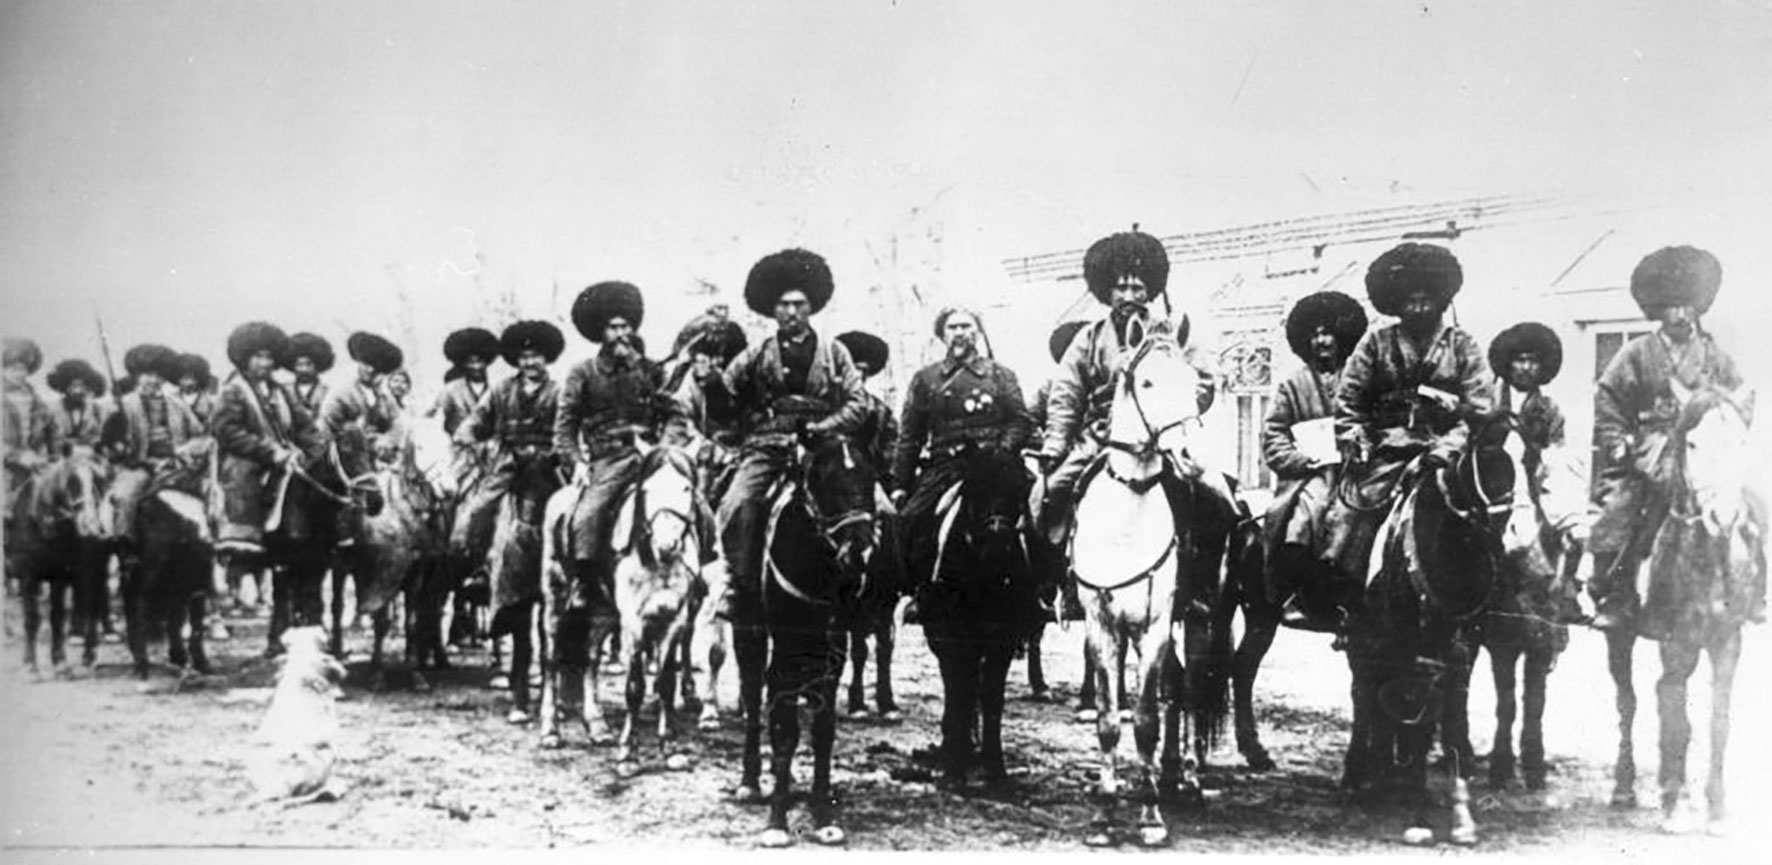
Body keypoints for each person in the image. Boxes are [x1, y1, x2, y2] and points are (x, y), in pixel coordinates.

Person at [1324, 243, 1494, 630]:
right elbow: (1349, 401)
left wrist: (1448, 446)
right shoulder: (1375, 344)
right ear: (1396, 303)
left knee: (1489, 514)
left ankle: (1494, 598)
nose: (1418, 308)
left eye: (1426, 300)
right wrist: (1356, 438)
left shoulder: (1462, 345)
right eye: (1409, 301)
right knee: (1353, 511)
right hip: (1388, 451)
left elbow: (1480, 409)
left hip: (1448, 451)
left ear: (1441, 299)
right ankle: (1345, 597)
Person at [1034, 229, 1228, 549]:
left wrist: (1175, 412)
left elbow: (1204, 380)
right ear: (1106, 291)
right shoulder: (1088, 339)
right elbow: (1066, 396)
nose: (1128, 296)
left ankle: (1213, 567)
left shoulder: (1172, 334)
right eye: (1120, 287)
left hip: (1164, 436)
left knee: (1217, 497)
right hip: (1101, 437)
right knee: (1047, 494)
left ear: (1150, 290)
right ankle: (1055, 568)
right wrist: (1056, 443)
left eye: (1137, 288)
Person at [1588, 246, 1750, 630]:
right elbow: (1609, 399)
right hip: (1650, 447)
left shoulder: (1715, 355)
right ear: (1657, 310)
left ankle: (1746, 587)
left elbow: (1739, 398)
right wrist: (1618, 441)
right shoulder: (1635, 353)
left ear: (1699, 306)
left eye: (1688, 306)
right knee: (1619, 508)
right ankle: (1617, 593)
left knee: (1748, 504)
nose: (1680, 315)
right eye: (1672, 307)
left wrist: (1728, 431)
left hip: (1703, 448)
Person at [706, 248, 866, 621]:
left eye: (799, 304)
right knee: (736, 503)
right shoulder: (756, 354)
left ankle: (877, 584)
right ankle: (737, 584)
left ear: (812, 307)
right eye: (783, 305)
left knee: (877, 505)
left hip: (825, 448)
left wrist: (824, 428)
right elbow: (725, 400)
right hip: (769, 447)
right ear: (772, 309)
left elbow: (859, 404)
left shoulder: (835, 352)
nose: (792, 312)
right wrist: (712, 385)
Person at [892, 307, 1031, 597]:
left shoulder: (1000, 375)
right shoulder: (925, 379)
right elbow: (910, 436)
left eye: (966, 326)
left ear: (977, 332)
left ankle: (1046, 587)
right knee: (909, 520)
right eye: (952, 327)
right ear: (942, 335)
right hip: (946, 467)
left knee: (1043, 508)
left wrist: (1003, 451)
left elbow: (1020, 420)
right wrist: (900, 484)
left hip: (997, 465)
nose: (959, 333)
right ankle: (914, 593)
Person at [212, 322, 329, 653]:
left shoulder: (282, 391)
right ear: (244, 358)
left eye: (268, 357)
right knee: (247, 486)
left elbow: (305, 427)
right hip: (249, 460)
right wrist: (271, 452)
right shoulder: (233, 391)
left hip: (286, 459)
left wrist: (317, 453)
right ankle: (245, 544)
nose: (264, 363)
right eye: (257, 357)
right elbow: (228, 431)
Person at [1261, 291, 1368, 629]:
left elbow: (1378, 420)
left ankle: (1361, 597)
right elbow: (1273, 436)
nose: (1321, 341)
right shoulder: (1292, 385)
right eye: (1315, 334)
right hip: (1313, 472)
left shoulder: (1362, 377)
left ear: (1342, 336)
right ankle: (1300, 594)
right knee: (1308, 511)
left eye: (1328, 333)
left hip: (1358, 470)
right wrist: (1301, 460)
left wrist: (1363, 442)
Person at [449, 320, 565, 570]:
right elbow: (471, 425)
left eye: (535, 356)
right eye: (524, 357)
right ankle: (477, 567)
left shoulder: (560, 392)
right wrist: (480, 445)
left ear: (547, 358)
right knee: (477, 511)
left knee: (554, 515)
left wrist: (552, 453)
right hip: (506, 464)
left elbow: (567, 430)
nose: (530, 363)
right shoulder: (501, 390)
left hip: (544, 468)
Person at [101, 343, 207, 559]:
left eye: (159, 375)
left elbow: (201, 435)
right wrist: (119, 447)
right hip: (139, 467)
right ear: (137, 376)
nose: (153, 380)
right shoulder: (122, 405)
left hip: (177, 466)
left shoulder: (178, 404)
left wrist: (186, 450)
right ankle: (125, 547)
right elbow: (107, 444)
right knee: (124, 496)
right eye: (148, 375)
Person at [3, 337, 54, 554]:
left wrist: (45, 454)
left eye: (23, 369)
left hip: (33, 461)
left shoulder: (34, 398)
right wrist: (17, 456)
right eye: (14, 369)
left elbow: (50, 430)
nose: (19, 374)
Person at [835, 330, 899, 497]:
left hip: (866, 486)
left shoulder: (881, 413)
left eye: (862, 369)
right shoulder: (821, 406)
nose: (857, 375)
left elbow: (891, 456)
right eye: (851, 368)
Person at [45, 359, 112, 458]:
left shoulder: (96, 410)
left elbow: (101, 437)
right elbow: (51, 439)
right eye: (74, 386)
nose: (79, 390)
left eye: (83, 386)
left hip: (91, 458)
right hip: (61, 459)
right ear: (65, 387)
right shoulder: (53, 410)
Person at [285, 332, 335, 418]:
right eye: (299, 365)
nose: (304, 369)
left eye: (308, 364)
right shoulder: (284, 391)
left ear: (318, 364)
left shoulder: (328, 392)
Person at [172, 353, 218, 427]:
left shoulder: (208, 399)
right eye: (182, 377)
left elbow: (211, 423)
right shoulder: (172, 398)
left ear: (198, 378)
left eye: (189, 377)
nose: (185, 382)